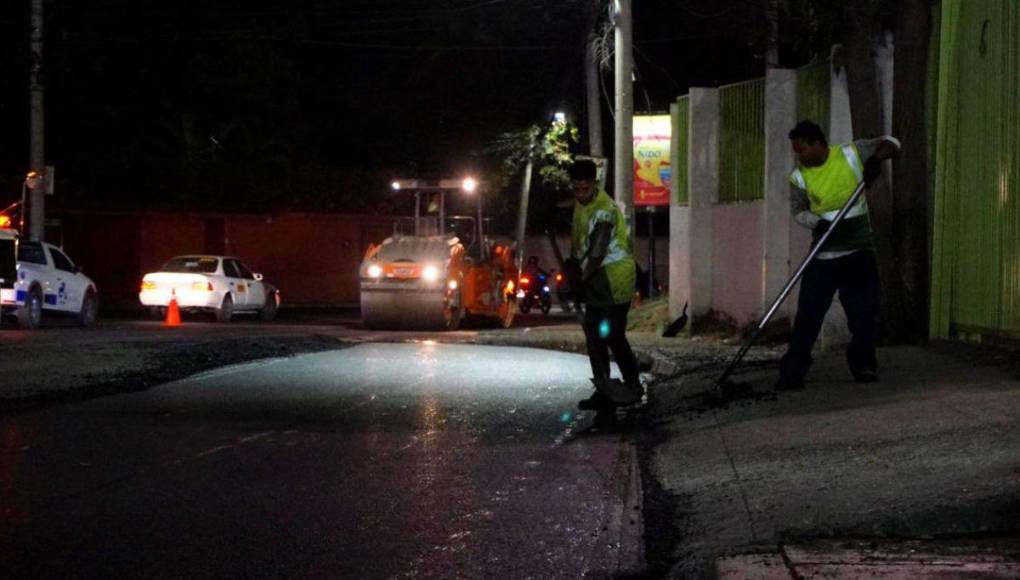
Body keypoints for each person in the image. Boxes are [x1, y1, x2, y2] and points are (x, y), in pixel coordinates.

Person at [776, 120, 901, 390]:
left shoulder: (852, 153)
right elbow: (798, 210)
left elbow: (891, 142)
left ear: (818, 144)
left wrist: (876, 160)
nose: (799, 156)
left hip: (858, 252)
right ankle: (793, 371)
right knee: (808, 316)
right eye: (796, 151)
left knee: (863, 314)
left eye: (802, 149)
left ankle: (864, 365)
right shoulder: (799, 177)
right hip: (823, 256)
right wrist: (815, 222)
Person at [564, 159, 642, 414]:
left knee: (613, 335)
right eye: (575, 189)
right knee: (593, 336)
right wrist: (572, 267)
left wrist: (579, 280)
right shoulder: (580, 205)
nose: (580, 194)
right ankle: (604, 388)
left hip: (614, 279)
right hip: (595, 279)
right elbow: (580, 246)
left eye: (584, 189)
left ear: (594, 185)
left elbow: (597, 253)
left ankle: (632, 386)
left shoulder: (604, 210)